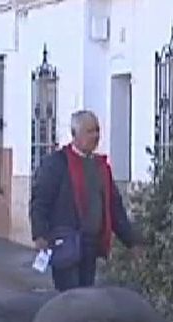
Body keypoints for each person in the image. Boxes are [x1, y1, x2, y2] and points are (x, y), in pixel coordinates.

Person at [29, 109, 142, 291]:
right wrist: (40, 234)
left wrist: (132, 241)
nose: (96, 136)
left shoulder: (101, 166)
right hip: (66, 244)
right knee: (71, 301)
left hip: (91, 245)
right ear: (75, 134)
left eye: (97, 130)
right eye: (90, 131)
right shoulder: (56, 163)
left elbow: (114, 208)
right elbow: (40, 201)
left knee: (86, 298)